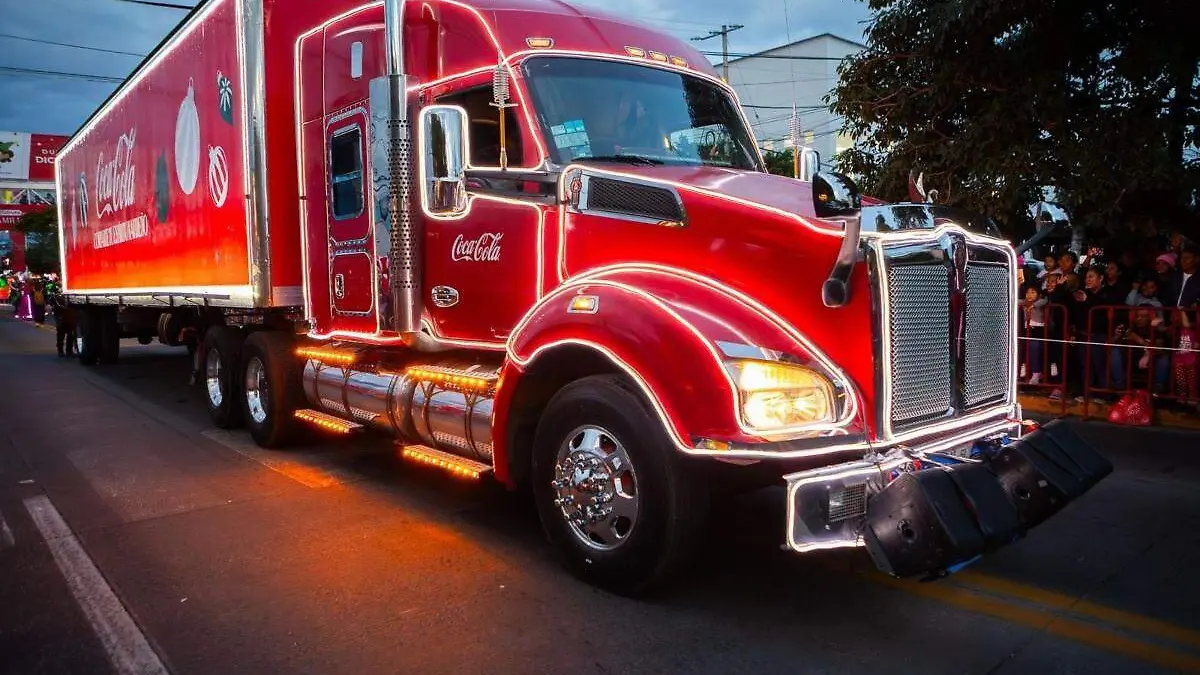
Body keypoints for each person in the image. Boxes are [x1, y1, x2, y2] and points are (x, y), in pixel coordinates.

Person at [1109, 304, 1172, 394]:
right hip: (1130, 358)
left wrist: (1145, 350)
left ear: (1150, 317)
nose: (1139, 319)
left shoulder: (1156, 328)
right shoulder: (1127, 325)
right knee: (1115, 351)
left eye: (1144, 316)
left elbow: (1160, 348)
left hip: (1150, 360)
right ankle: (1120, 387)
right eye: (1137, 316)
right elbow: (1110, 343)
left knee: (1163, 359)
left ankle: (1158, 389)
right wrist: (1116, 336)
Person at [50, 292, 77, 357]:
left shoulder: (71, 296)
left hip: (69, 316)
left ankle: (69, 350)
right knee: (61, 333)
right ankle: (61, 350)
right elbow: (53, 303)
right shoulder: (56, 295)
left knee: (70, 333)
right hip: (61, 316)